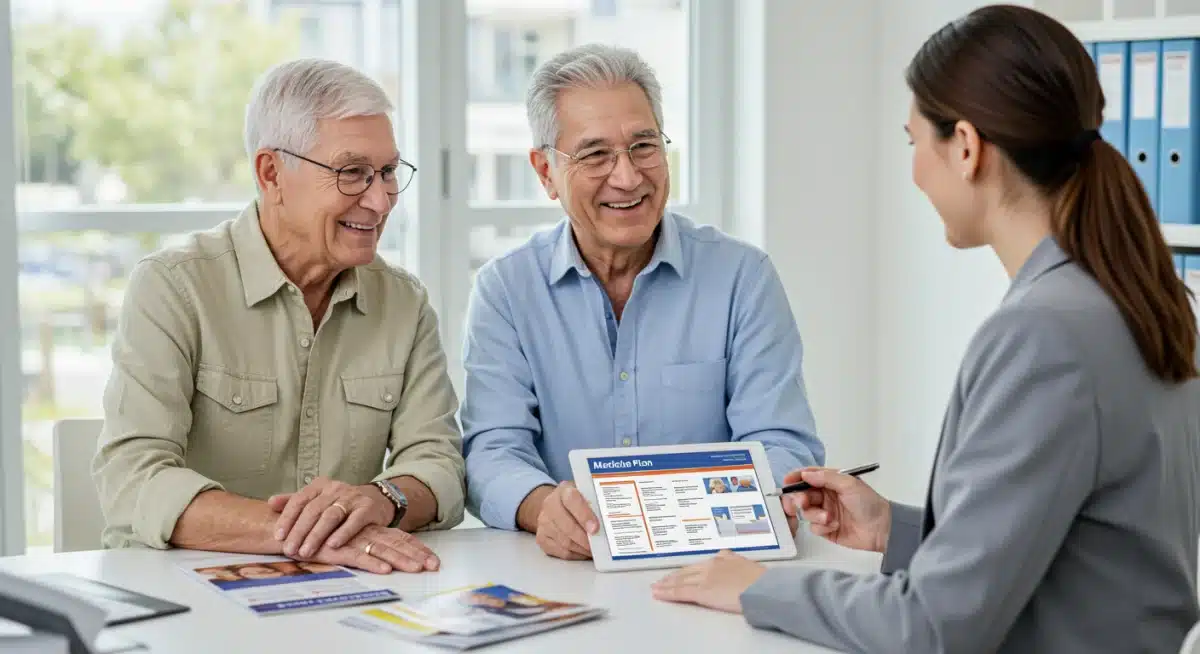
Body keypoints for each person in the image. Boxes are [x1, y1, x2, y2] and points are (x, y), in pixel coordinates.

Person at [651, 6, 1200, 653]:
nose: (914, 171)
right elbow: (1088, 550)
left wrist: (756, 589)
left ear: (966, 147)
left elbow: (933, 627)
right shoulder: (1132, 295)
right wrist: (893, 528)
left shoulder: (1042, 334)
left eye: (915, 142)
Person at [91, 58, 466, 575]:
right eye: (352, 172)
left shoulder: (405, 303)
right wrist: (302, 536)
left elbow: (439, 464)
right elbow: (132, 478)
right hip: (184, 596)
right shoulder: (174, 287)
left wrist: (383, 500)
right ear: (272, 173)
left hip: (342, 593)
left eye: (386, 173)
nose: (380, 200)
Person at [459, 43, 825, 560]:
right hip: (567, 572)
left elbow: (780, 440)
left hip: (718, 562)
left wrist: (702, 513)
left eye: (644, 146)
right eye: (594, 154)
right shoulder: (505, 290)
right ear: (545, 172)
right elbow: (492, 453)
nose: (627, 177)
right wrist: (544, 507)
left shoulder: (744, 277)